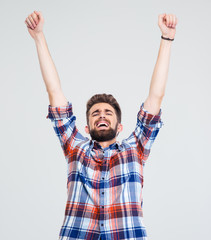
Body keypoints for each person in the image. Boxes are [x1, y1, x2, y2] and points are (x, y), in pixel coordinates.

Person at [25, 10, 178, 240]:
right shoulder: (75, 147)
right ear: (86, 128)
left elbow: (156, 97)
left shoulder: (135, 149)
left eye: (108, 112)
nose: (101, 115)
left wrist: (167, 39)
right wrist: (39, 37)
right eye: (95, 113)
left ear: (120, 127)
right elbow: (54, 92)